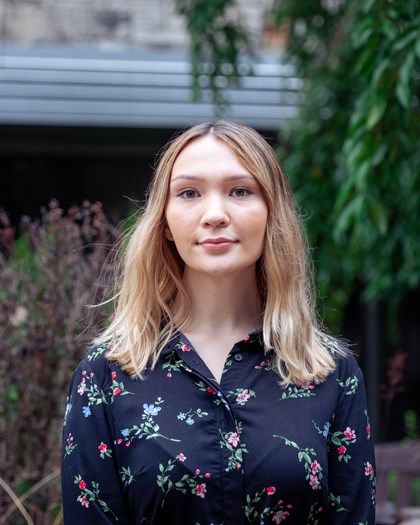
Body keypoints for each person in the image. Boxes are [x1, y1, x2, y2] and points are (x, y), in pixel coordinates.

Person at [61, 120, 376, 524]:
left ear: (271, 214)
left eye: (240, 191)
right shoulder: (105, 376)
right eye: (189, 193)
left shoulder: (332, 374)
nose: (214, 214)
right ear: (165, 221)